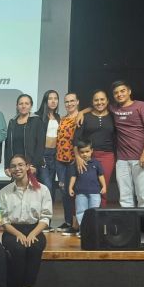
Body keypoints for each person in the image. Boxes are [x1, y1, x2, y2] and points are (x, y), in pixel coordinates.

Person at [0, 154, 52, 287]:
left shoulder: (42, 189)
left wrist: (32, 234)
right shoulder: (4, 192)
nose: (17, 169)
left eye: (21, 165)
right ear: (9, 170)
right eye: (13, 166)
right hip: (12, 230)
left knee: (35, 247)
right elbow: (3, 221)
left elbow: (45, 217)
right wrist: (20, 234)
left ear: (28, 166)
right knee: (18, 249)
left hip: (34, 229)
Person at [74, 90, 115, 207]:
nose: (99, 102)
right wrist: (77, 157)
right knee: (86, 187)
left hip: (108, 156)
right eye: (96, 100)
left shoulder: (113, 116)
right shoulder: (84, 117)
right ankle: (85, 219)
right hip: (88, 156)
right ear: (92, 102)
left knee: (103, 187)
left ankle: (100, 220)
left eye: (102, 99)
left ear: (107, 101)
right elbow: (76, 139)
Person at [55, 92, 79, 234]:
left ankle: (76, 223)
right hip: (60, 161)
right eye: (67, 102)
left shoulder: (81, 117)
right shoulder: (62, 119)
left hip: (72, 160)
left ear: (77, 102)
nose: (69, 104)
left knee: (72, 192)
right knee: (64, 192)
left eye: (72, 101)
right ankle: (68, 221)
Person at [68, 140, 106, 231]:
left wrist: (104, 186)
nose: (85, 154)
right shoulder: (76, 164)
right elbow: (73, 176)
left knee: (94, 211)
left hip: (95, 192)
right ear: (78, 152)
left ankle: (93, 231)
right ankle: (83, 230)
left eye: (87, 151)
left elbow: (101, 175)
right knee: (81, 212)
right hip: (80, 192)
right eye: (82, 152)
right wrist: (70, 187)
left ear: (92, 151)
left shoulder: (96, 163)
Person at [4, 94, 45, 175]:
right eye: (21, 104)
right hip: (15, 166)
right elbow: (7, 146)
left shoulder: (36, 121)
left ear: (31, 106)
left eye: (26, 103)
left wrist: (34, 165)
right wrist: (7, 166)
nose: (23, 106)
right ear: (17, 106)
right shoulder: (12, 122)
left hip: (30, 166)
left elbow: (40, 145)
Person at [36, 90, 60, 200]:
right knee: (46, 185)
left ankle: (48, 216)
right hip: (43, 155)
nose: (53, 101)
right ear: (45, 101)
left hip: (54, 155)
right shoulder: (38, 117)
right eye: (50, 98)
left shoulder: (58, 117)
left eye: (55, 98)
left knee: (51, 185)